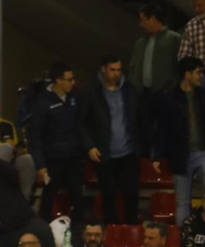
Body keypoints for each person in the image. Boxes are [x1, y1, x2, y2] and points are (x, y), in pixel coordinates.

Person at [82, 55, 141, 226]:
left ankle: (131, 230)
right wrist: (89, 146)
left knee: (131, 194)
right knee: (109, 196)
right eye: (112, 70)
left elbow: (139, 118)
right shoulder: (92, 91)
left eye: (118, 70)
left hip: (128, 151)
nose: (116, 74)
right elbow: (81, 122)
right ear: (103, 69)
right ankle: (111, 232)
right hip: (104, 152)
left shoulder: (129, 89)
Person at [28, 63, 88, 223]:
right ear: (58, 80)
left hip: (73, 158)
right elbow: (35, 136)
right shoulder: (42, 103)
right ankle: (45, 233)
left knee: (78, 198)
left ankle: (76, 235)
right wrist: (40, 165)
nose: (73, 82)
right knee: (48, 198)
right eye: (69, 79)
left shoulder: (74, 99)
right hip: (53, 160)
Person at [153, 55, 205, 225]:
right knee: (182, 202)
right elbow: (162, 129)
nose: (201, 76)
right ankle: (184, 243)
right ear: (187, 74)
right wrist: (158, 156)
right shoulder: (169, 99)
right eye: (198, 73)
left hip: (202, 153)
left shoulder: (203, 95)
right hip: (180, 155)